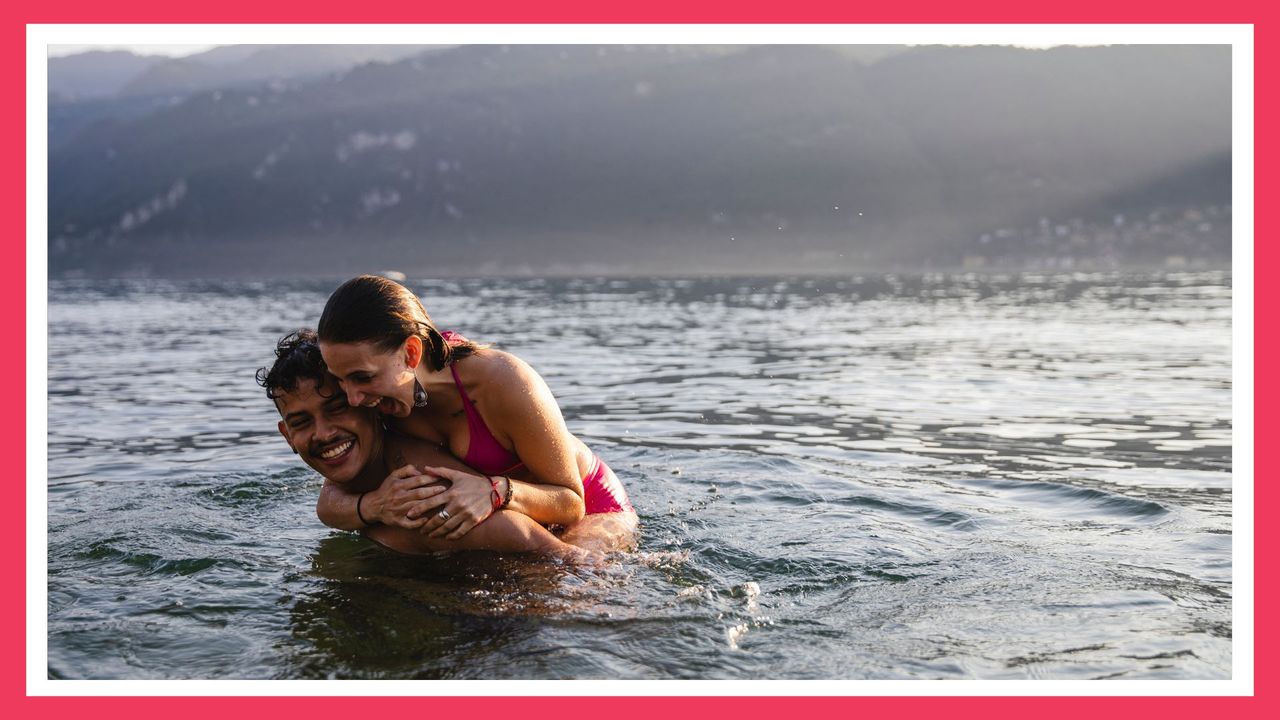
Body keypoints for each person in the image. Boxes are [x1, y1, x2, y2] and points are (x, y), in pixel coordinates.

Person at [314, 275, 637, 552]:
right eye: (341, 380)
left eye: (362, 377)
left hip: (594, 507)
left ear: (411, 352)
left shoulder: (501, 382)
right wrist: (375, 505)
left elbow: (571, 504)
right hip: (513, 519)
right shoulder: (378, 399)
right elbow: (330, 501)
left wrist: (495, 491)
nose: (352, 399)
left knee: (569, 588)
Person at [258, 329, 594, 562]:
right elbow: (328, 504)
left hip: (584, 507)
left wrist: (577, 571)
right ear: (286, 436)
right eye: (301, 423)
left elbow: (525, 537)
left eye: (337, 409)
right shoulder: (359, 478)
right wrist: (372, 507)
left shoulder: (417, 479)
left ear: (366, 403)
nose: (324, 433)